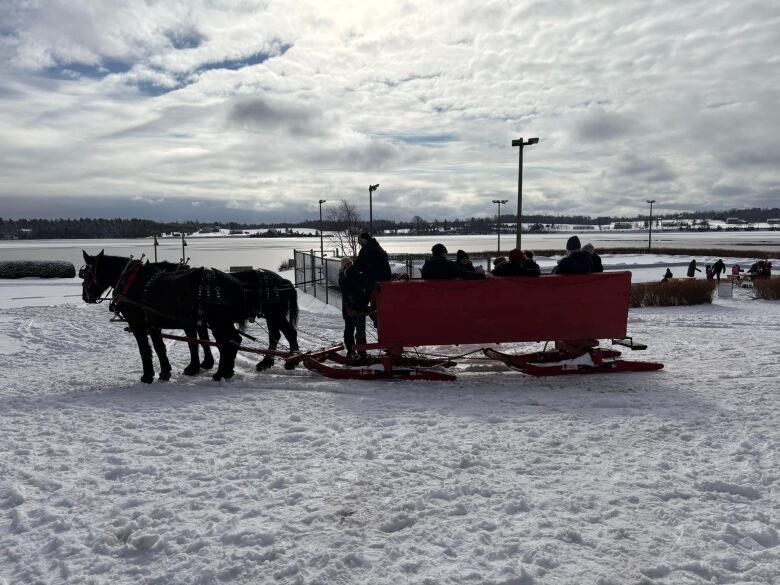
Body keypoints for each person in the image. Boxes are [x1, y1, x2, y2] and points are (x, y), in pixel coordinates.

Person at [338, 258, 367, 362]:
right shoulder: (343, 275)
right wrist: (349, 306)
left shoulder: (357, 274)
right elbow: (345, 290)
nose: (350, 265)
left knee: (361, 330)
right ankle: (351, 351)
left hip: (359, 307)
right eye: (347, 264)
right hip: (348, 307)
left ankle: (362, 350)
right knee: (350, 329)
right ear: (344, 266)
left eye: (350, 263)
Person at [421, 244, 487, 280]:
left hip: (431, 295)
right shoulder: (449, 265)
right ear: (444, 254)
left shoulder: (426, 265)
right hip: (447, 294)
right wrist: (482, 276)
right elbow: (464, 274)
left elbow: (424, 277)